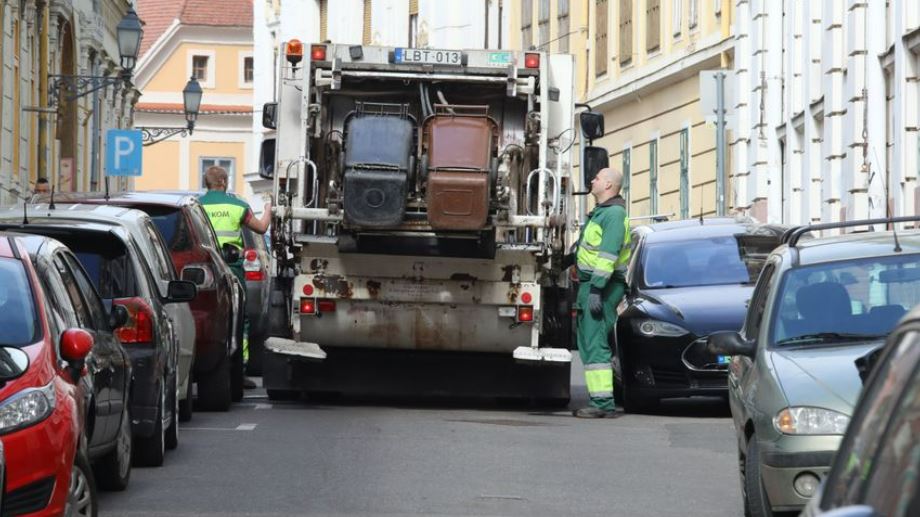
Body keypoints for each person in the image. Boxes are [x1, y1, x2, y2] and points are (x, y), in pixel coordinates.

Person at [199, 166, 272, 389]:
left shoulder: (195, 206)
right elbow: (261, 227)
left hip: (204, 270)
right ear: (223, 181)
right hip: (232, 269)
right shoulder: (237, 206)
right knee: (240, 319)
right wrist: (269, 208)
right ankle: (238, 369)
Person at [572, 167, 631, 418]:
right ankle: (600, 400)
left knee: (596, 343)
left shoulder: (614, 215)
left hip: (603, 287)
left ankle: (602, 404)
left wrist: (596, 289)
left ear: (608, 185)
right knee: (590, 341)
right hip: (594, 286)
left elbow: (607, 256)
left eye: (596, 178)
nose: (592, 180)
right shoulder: (603, 213)